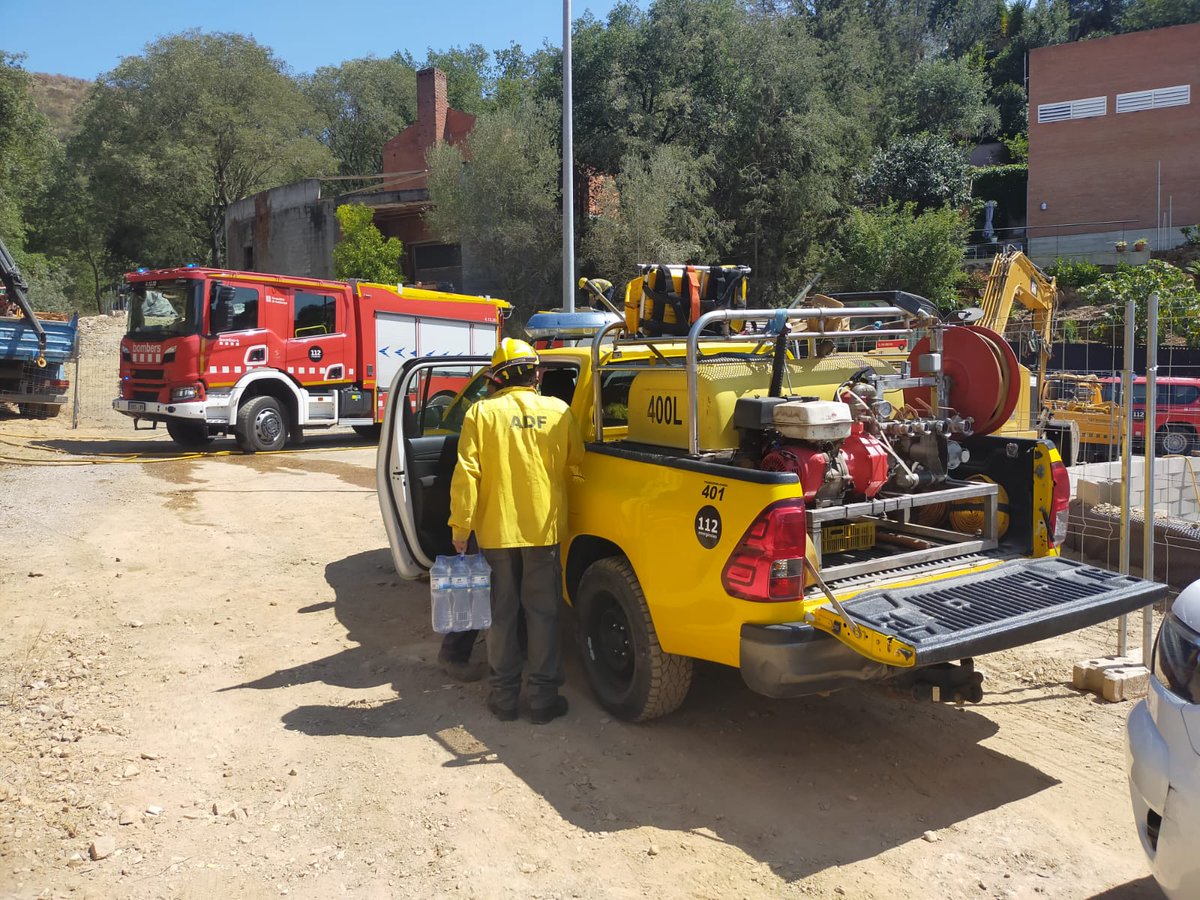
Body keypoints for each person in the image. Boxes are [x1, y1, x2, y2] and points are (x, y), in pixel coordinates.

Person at [448, 338, 583, 724]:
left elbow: (467, 474)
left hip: (496, 532)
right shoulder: (559, 411)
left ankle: (504, 698)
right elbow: (576, 459)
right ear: (535, 374)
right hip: (543, 531)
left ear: (498, 378)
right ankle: (542, 700)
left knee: (501, 615)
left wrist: (461, 527)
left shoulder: (480, 413)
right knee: (543, 614)